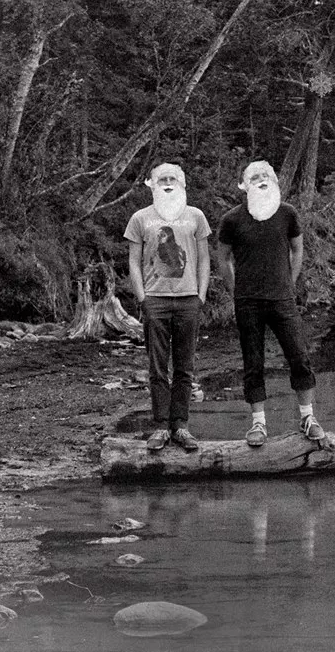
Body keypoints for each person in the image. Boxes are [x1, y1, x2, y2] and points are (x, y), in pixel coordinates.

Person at [218, 160, 331, 448]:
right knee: (253, 362)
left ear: (275, 181)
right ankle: (258, 423)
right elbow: (223, 258)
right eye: (255, 177)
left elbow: (297, 249)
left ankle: (308, 417)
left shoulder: (287, 214)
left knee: (299, 356)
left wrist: (290, 283)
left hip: (282, 298)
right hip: (248, 302)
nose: (261, 180)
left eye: (266, 175)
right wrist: (236, 290)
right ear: (245, 185)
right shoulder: (232, 219)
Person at [125, 163, 211, 452]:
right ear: (151, 184)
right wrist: (141, 298)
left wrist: (200, 295)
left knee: (185, 367)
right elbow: (133, 262)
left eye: (173, 178)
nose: (168, 183)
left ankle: (181, 426)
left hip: (188, 300)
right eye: (162, 179)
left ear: (183, 184)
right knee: (158, 368)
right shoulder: (140, 218)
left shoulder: (195, 216)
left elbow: (203, 260)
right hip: (155, 300)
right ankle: (161, 426)